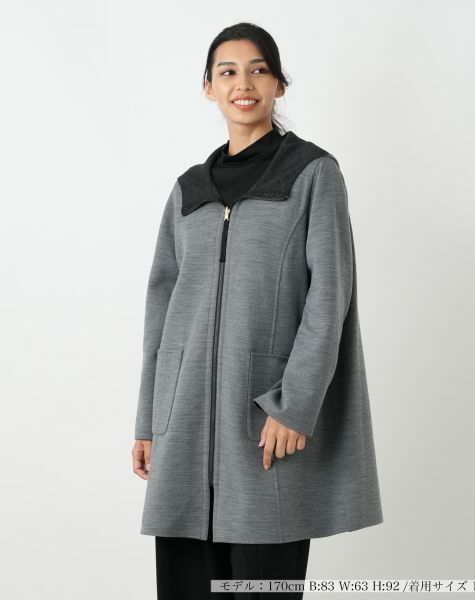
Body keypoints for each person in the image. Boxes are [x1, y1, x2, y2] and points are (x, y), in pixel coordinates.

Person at [131, 21, 383, 600]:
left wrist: (293, 407)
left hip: (264, 422)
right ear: (209, 88)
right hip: (183, 424)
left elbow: (330, 296)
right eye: (228, 72)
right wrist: (149, 420)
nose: (242, 83)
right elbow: (160, 312)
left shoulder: (313, 174)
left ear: (278, 85)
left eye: (258, 70)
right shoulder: (188, 191)